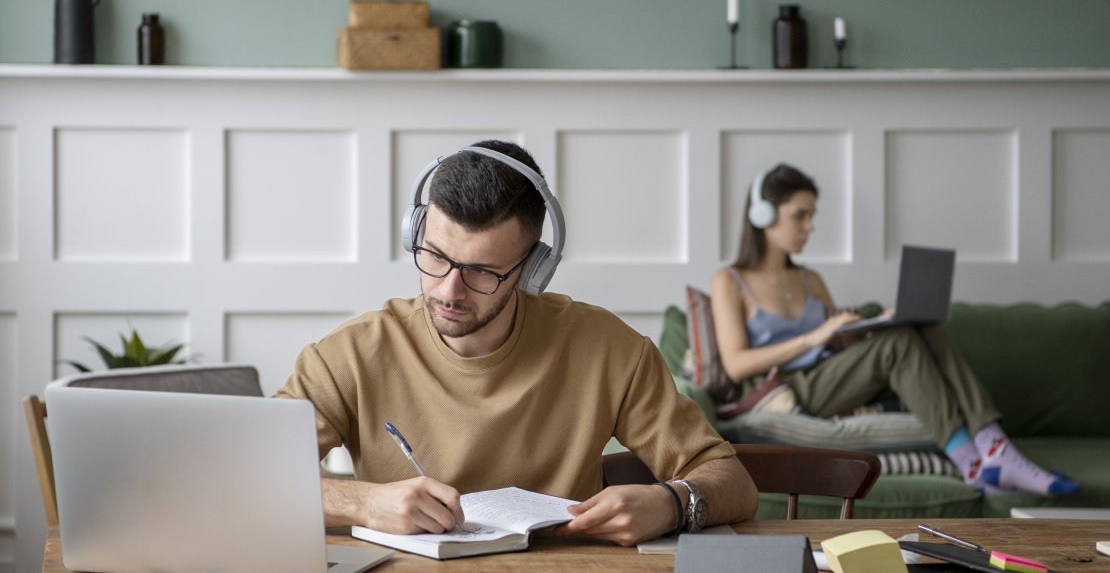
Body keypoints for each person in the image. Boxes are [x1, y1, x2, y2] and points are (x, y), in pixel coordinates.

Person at [276, 139, 758, 546]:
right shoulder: (351, 354)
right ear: (415, 233)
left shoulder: (611, 350)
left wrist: (672, 504)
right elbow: (247, 478)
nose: (448, 289)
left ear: (532, 271)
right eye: (435, 256)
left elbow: (732, 481)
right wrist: (364, 501)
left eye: (482, 271)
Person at [709, 163, 1078, 496]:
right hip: (791, 386)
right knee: (897, 344)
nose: (810, 227)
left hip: (834, 374)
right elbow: (737, 365)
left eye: (812, 216)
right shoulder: (730, 281)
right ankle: (978, 463)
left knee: (920, 325)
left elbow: (840, 346)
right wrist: (814, 337)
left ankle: (992, 446)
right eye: (799, 216)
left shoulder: (810, 279)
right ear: (763, 215)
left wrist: (876, 326)